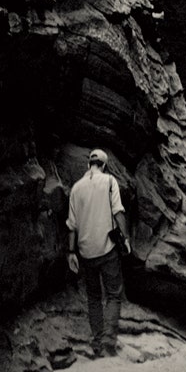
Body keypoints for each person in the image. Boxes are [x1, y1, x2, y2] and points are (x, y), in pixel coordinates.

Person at [66, 147, 128, 356]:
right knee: (113, 295)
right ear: (104, 165)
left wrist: (71, 252)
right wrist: (125, 238)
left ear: (88, 165)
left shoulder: (76, 188)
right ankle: (109, 342)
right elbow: (118, 212)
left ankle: (97, 342)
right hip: (107, 249)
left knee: (93, 297)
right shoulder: (110, 182)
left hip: (85, 252)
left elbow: (72, 225)